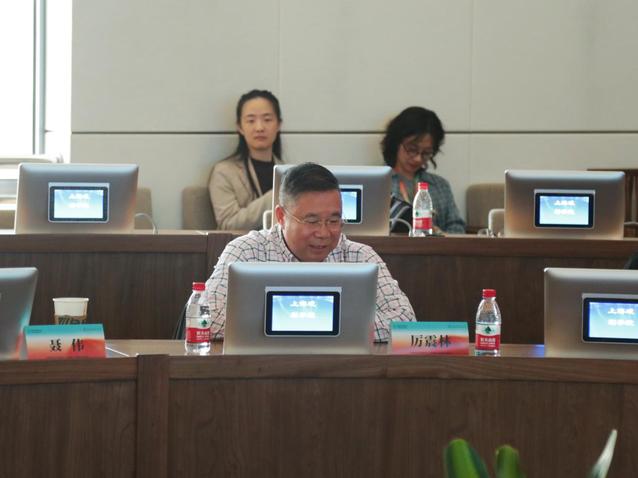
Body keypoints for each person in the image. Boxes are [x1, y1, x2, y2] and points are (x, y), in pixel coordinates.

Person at [205, 162, 416, 341]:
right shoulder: (246, 252)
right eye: (312, 221)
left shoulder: (360, 256)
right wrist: (336, 325)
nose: (323, 233)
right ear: (281, 216)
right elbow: (207, 319)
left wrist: (298, 323)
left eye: (333, 221)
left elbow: (405, 322)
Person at [381, 106, 466, 234]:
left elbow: (457, 227)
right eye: (412, 149)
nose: (418, 158)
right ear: (396, 143)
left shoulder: (440, 185)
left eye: (426, 153)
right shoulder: (379, 183)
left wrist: (439, 234)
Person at [209, 89, 284, 230]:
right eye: (251, 120)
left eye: (267, 120)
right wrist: (276, 194)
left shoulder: (289, 172)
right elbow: (228, 224)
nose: (259, 127)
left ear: (279, 124)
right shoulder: (224, 172)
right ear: (240, 127)